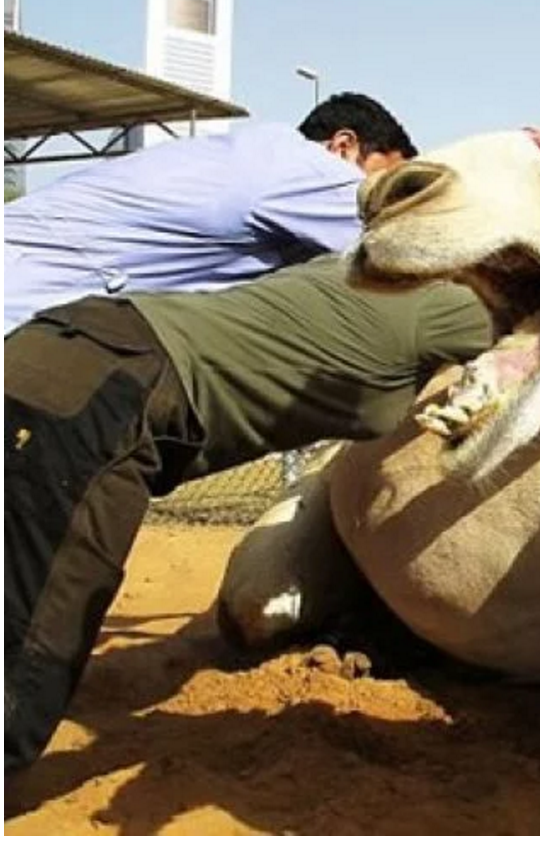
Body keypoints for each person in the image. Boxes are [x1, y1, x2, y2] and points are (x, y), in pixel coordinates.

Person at [4, 255, 493, 772]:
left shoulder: (344, 264)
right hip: (110, 391)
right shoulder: (449, 301)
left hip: (59, 340)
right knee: (39, 642)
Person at [4, 91, 415, 333]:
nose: (385, 197)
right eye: (386, 181)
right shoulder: (305, 168)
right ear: (343, 146)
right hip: (24, 295)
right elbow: (404, 246)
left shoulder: (251, 153)